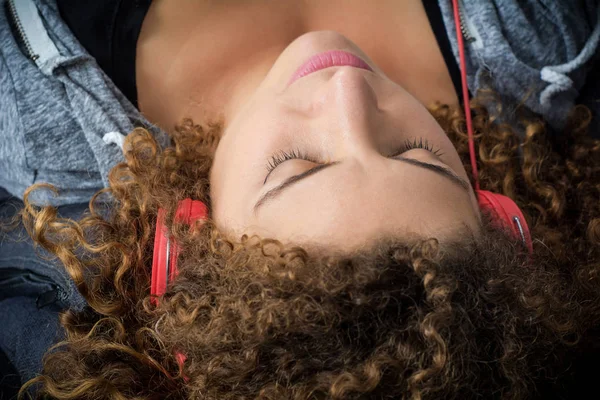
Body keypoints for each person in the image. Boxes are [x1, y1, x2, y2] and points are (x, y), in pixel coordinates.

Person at [0, 0, 598, 398]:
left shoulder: (38, 122)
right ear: (492, 205)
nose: (347, 92)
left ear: (190, 237)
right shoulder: (536, 37)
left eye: (297, 166)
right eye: (417, 154)